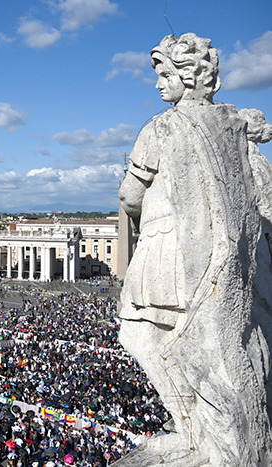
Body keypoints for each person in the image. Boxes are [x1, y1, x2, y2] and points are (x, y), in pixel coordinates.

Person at [119, 33, 272, 466]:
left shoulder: (160, 128)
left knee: (143, 336)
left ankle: (192, 431)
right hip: (227, 264)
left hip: (171, 254)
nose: (158, 84)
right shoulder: (234, 127)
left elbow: (130, 196)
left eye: (164, 74)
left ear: (188, 77)